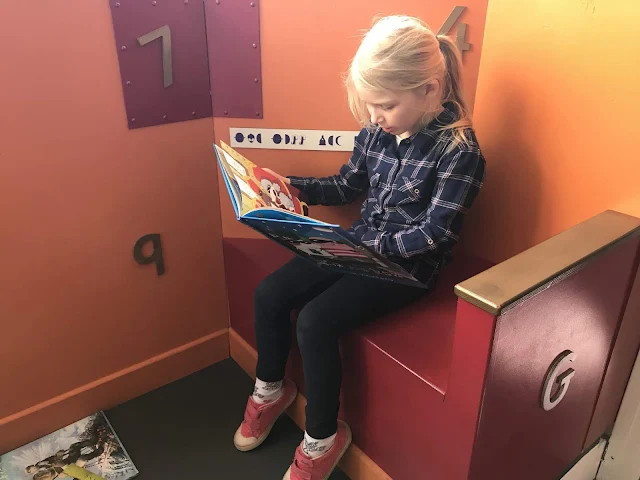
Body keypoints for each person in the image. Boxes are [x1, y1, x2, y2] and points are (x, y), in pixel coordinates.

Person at [233, 14, 486, 479]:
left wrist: (364, 242)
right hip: (355, 246)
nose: (374, 118)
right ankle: (271, 391)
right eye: (369, 106)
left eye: (384, 105)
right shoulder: (378, 130)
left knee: (315, 321)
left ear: (429, 90)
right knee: (269, 293)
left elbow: (433, 235)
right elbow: (348, 185)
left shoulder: (459, 152)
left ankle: (322, 439)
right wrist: (289, 188)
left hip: (407, 271)